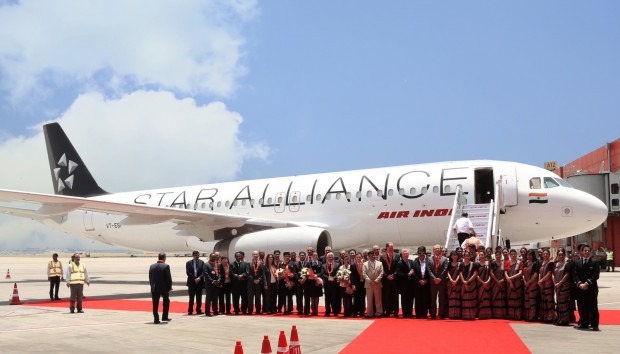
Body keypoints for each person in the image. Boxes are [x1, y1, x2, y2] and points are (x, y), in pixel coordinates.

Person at [572, 244, 600, 331]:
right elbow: (575, 275)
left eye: (588, 251)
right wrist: (579, 284)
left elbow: (596, 275)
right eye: (585, 251)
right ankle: (584, 324)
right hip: (581, 289)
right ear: (581, 252)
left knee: (593, 307)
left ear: (590, 252)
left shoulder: (594, 262)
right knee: (583, 307)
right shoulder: (577, 262)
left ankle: (595, 325)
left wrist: (586, 284)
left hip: (591, 289)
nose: (587, 252)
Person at [148, 252, 172, 324]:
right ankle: (164, 316)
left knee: (155, 303)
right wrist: (169, 287)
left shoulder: (152, 266)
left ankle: (156, 318)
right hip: (164, 288)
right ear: (164, 258)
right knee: (166, 301)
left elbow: (150, 278)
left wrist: (152, 285)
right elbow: (168, 278)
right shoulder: (166, 266)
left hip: (154, 287)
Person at [552, 248, 573, 326]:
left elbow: (567, 275)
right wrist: (555, 283)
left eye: (562, 255)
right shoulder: (555, 264)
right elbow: (553, 274)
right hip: (557, 286)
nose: (561, 256)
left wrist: (560, 283)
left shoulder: (567, 264)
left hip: (564, 286)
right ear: (557, 256)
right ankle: (560, 318)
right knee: (559, 303)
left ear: (565, 255)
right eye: (559, 255)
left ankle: (565, 320)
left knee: (564, 303)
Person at [428, 244, 449, 319]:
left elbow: (445, 269)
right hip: (433, 281)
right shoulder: (429, 259)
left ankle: (441, 314)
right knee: (433, 298)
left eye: (438, 249)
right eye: (435, 249)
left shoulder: (445, 259)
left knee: (441, 298)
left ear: (440, 250)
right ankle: (433, 314)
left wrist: (440, 278)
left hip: (442, 281)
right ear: (433, 250)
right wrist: (434, 278)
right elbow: (429, 270)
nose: (437, 250)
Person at [380, 242, 400, 317]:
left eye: (392, 247)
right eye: (390, 247)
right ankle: (387, 311)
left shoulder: (397, 255)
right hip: (386, 280)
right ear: (387, 248)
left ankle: (396, 312)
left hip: (394, 279)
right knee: (387, 296)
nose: (392, 249)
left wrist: (393, 275)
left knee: (395, 296)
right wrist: (386, 276)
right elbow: (381, 269)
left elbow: (398, 267)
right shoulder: (382, 257)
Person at [537, 249, 557, 323]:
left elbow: (549, 273)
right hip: (542, 285)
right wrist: (539, 281)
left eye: (546, 254)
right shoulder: (542, 263)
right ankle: (545, 316)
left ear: (549, 254)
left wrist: (541, 280)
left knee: (549, 301)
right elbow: (539, 273)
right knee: (543, 300)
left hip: (548, 284)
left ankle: (551, 316)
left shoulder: (551, 263)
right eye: (544, 254)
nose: (545, 255)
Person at [505, 249, 524, 321]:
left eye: (514, 254)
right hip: (509, 283)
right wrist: (509, 280)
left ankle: (518, 315)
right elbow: (505, 272)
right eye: (512, 254)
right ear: (509, 255)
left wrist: (510, 278)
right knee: (510, 299)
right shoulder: (507, 262)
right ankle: (511, 315)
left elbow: (520, 273)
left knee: (517, 299)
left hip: (517, 283)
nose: (513, 255)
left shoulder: (520, 263)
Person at [363, 250, 383, 318]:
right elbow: (364, 274)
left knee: (378, 299)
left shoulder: (380, 263)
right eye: (371, 255)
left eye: (374, 255)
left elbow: (381, 273)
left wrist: (376, 280)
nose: (373, 256)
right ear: (369, 256)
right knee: (369, 300)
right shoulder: (365, 264)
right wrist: (370, 281)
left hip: (377, 284)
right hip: (369, 285)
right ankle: (370, 313)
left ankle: (379, 312)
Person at [412, 246, 431, 318]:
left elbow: (431, 271)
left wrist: (426, 280)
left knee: (425, 299)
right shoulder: (414, 261)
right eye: (420, 253)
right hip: (418, 283)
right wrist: (419, 280)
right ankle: (418, 314)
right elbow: (413, 273)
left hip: (426, 283)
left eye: (423, 253)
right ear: (418, 253)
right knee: (418, 299)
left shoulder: (429, 260)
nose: (421, 255)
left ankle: (424, 314)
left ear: (425, 253)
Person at [396, 249, 415, 318]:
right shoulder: (399, 263)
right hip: (404, 285)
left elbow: (414, 271)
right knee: (404, 300)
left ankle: (410, 313)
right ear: (402, 255)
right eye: (405, 254)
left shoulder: (411, 262)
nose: (406, 255)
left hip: (411, 285)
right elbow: (398, 273)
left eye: (407, 253)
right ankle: (405, 313)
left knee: (410, 299)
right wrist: (408, 274)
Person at [321, 252, 341, 316]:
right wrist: (328, 278)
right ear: (327, 258)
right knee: (327, 298)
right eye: (329, 257)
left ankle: (335, 311)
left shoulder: (337, 265)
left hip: (334, 284)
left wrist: (333, 278)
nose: (331, 258)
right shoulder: (323, 265)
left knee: (334, 298)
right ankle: (327, 311)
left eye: (332, 257)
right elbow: (322, 274)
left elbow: (338, 273)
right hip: (327, 284)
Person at [522, 249, 540, 322]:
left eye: (530, 255)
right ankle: (527, 315)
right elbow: (523, 274)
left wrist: (528, 282)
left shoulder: (535, 263)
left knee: (532, 300)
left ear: (533, 256)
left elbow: (536, 275)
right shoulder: (525, 263)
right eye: (528, 255)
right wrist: (525, 282)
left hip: (532, 284)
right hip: (526, 283)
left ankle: (533, 316)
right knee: (527, 300)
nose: (529, 256)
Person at [459, 251, 478, 320]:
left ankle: (472, 315)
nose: (467, 257)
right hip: (463, 283)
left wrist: (468, 281)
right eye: (465, 256)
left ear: (470, 257)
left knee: (471, 299)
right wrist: (464, 282)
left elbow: (475, 274)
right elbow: (460, 274)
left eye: (468, 256)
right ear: (463, 257)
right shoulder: (461, 264)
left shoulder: (474, 264)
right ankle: (465, 315)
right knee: (464, 299)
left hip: (471, 284)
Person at [489, 250, 507, 319]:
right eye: (497, 255)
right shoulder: (492, 263)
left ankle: (502, 314)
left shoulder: (504, 263)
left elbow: (506, 272)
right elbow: (491, 273)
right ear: (495, 256)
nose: (498, 256)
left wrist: (502, 280)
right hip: (494, 283)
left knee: (501, 297)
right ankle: (495, 314)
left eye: (499, 255)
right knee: (495, 297)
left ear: (501, 255)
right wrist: (497, 281)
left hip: (502, 283)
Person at [185, 251, 205, 315]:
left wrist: (199, 278)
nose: (197, 256)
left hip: (199, 282)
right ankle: (190, 310)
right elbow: (188, 272)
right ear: (193, 256)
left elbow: (203, 272)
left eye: (198, 255)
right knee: (191, 298)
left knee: (199, 297)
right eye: (196, 255)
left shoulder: (202, 262)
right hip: (191, 282)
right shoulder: (188, 263)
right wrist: (194, 279)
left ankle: (198, 310)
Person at [247, 250, 266, 315]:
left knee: (258, 298)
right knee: (250, 298)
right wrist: (253, 280)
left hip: (258, 284)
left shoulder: (261, 263)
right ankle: (250, 310)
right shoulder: (249, 263)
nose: (255, 256)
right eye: (254, 254)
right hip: (251, 284)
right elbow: (248, 274)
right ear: (252, 255)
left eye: (256, 254)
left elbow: (263, 274)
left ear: (258, 255)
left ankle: (258, 310)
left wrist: (259, 279)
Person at [476, 254, 492, 319]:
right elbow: (476, 275)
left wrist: (487, 281)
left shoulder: (488, 263)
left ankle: (487, 314)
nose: (481, 256)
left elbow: (491, 273)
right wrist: (482, 282)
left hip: (487, 283)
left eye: (482, 255)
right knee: (480, 298)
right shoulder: (477, 264)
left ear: (485, 256)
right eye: (480, 255)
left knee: (487, 298)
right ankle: (480, 314)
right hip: (480, 283)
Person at [350, 253, 366, 318]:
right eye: (357, 257)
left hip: (363, 284)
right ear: (355, 258)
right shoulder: (353, 265)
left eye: (360, 257)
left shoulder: (364, 265)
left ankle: (362, 312)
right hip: (356, 284)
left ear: (361, 258)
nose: (359, 258)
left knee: (362, 298)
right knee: (356, 298)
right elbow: (351, 276)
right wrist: (353, 284)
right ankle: (355, 312)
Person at [447, 250, 462, 319]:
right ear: (451, 256)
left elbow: (460, 273)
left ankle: (457, 314)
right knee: (451, 298)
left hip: (458, 283)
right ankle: (451, 314)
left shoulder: (460, 264)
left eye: (456, 255)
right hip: (450, 283)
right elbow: (448, 273)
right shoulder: (449, 264)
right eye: (453, 255)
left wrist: (456, 280)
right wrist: (451, 280)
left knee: (457, 298)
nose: (454, 256)